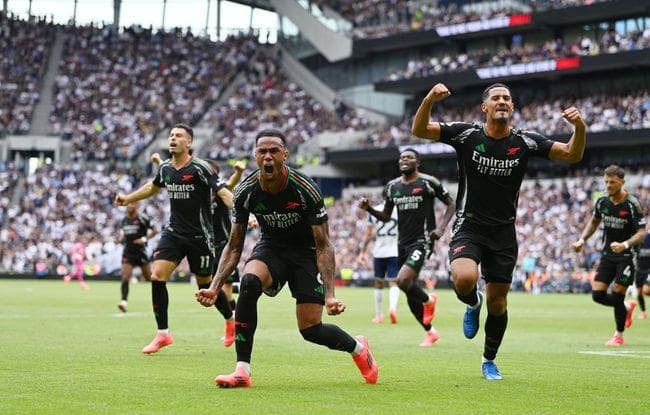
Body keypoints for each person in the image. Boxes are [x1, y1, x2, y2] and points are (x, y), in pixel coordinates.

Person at [411, 82, 586, 380]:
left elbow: (571, 154)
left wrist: (579, 127)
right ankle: (471, 302)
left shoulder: (526, 141)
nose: (502, 101)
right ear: (485, 107)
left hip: (504, 233)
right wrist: (428, 98)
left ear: (512, 107)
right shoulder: (466, 134)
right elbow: (420, 130)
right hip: (470, 225)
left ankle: (488, 359)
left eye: (507, 98)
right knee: (465, 279)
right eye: (496, 98)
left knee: (499, 303)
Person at [196, 129, 378, 388]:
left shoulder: (306, 189)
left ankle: (359, 349)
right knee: (248, 282)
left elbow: (324, 244)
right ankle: (242, 371)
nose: (268, 157)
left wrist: (330, 294)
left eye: (273, 151)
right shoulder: (246, 192)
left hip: (306, 253)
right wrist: (215, 287)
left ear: (285, 155)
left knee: (310, 329)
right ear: (255, 156)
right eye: (262, 152)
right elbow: (235, 245)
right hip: (271, 248)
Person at [115, 123, 235, 354]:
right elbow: (153, 187)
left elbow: (222, 192)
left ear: (188, 143)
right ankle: (163, 334)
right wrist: (128, 198)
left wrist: (244, 214)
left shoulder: (201, 168)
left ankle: (230, 320)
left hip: (200, 237)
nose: (173, 139)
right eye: (171, 135)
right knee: (157, 275)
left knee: (205, 286)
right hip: (173, 233)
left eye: (178, 136)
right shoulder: (166, 169)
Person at [358, 148, 455, 347]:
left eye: (409, 157)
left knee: (402, 281)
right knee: (409, 291)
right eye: (402, 158)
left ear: (417, 162)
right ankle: (431, 332)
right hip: (401, 243)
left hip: (423, 239)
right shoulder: (392, 187)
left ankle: (429, 300)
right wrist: (369, 209)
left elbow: (451, 203)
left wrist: (442, 228)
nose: (405, 160)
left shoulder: (428, 182)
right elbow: (385, 216)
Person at [573, 165, 646, 346]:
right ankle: (628, 307)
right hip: (607, 255)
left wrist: (625, 244)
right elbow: (594, 222)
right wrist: (582, 240)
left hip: (627, 256)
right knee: (597, 295)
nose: (608, 185)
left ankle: (618, 335)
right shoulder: (602, 202)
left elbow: (642, 232)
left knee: (617, 294)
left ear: (622, 182)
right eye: (606, 181)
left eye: (612, 182)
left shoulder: (632, 204)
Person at [356, 202, 400, 324]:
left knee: (378, 283)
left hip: (379, 251)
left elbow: (369, 234)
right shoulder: (399, 210)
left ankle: (379, 315)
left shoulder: (374, 210)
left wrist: (362, 253)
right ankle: (392, 308)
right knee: (393, 283)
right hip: (395, 250)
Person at [117, 201, 157, 312]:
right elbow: (123, 233)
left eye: (132, 203)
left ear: (137, 205)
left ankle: (158, 298)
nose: (129, 206)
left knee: (149, 278)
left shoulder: (143, 218)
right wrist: (119, 239)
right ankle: (123, 302)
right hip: (128, 251)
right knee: (125, 277)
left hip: (141, 251)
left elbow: (155, 231)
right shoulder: (124, 220)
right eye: (128, 204)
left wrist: (144, 239)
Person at [634, 231, 650, 320]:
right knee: (639, 293)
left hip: (649, 270)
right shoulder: (637, 241)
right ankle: (643, 312)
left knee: (646, 290)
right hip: (639, 270)